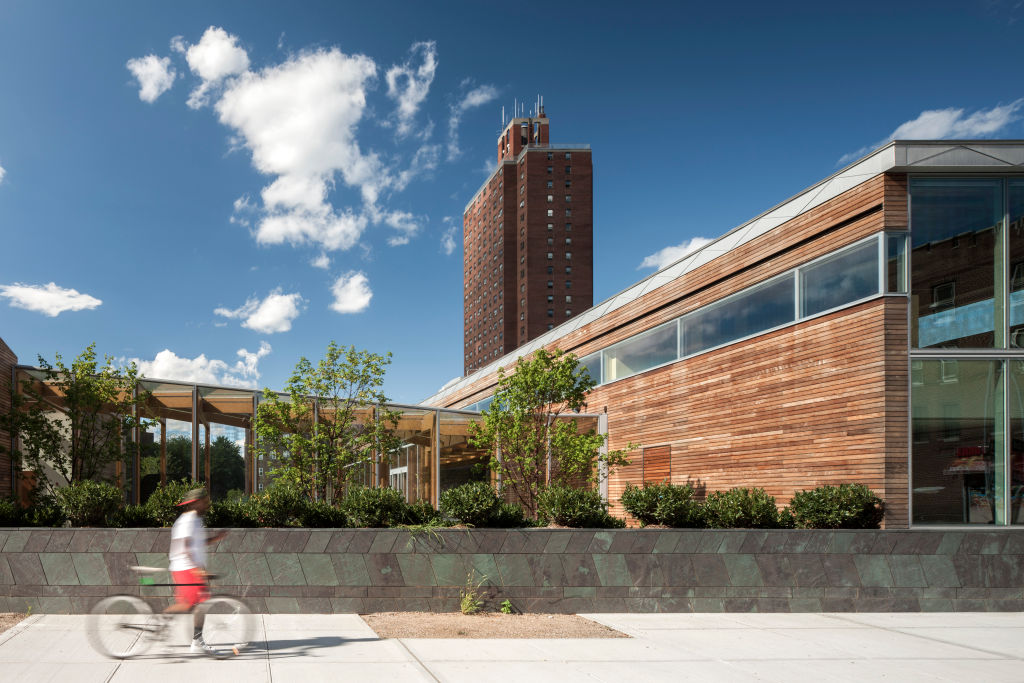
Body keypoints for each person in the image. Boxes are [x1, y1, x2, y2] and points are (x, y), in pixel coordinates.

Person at [165, 487, 227, 655]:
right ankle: (193, 640)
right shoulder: (188, 520)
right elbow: (185, 546)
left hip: (188, 567)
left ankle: (195, 641)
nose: (206, 505)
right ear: (196, 503)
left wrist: (216, 538)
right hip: (186, 567)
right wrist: (197, 570)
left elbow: (196, 543)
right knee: (194, 604)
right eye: (204, 502)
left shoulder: (195, 520)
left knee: (196, 604)